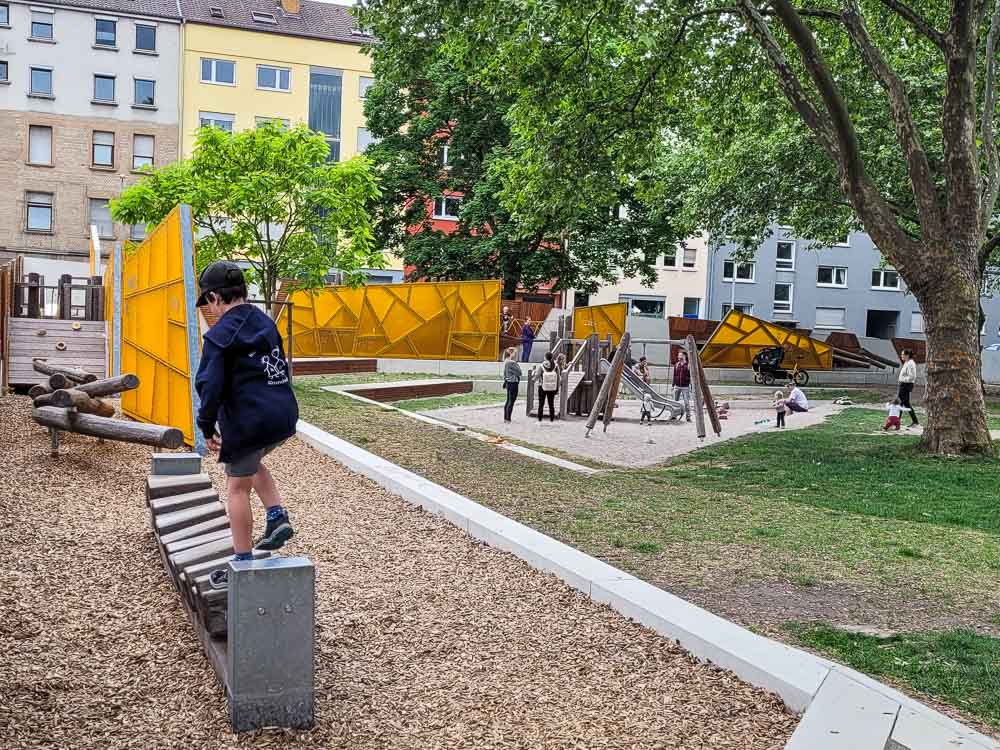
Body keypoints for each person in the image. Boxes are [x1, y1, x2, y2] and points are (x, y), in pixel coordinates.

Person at [193, 261, 299, 589]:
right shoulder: (265, 322)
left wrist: (207, 425)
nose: (210, 310)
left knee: (236, 487)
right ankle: (276, 514)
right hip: (282, 415)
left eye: (208, 303)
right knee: (251, 459)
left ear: (214, 298)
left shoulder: (218, 337)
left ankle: (242, 559)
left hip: (250, 421)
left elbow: (208, 385)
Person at [897, 349, 919, 427]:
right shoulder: (907, 363)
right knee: (906, 404)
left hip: (906, 385)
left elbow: (912, 376)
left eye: (902, 354)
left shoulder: (910, 363)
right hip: (904, 385)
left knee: (899, 403)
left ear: (907, 355)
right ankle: (915, 422)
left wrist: (903, 380)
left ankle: (896, 422)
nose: (901, 356)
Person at [537, 351, 559, 422]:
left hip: (542, 386)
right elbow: (558, 377)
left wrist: (533, 379)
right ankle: (552, 419)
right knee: (551, 403)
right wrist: (557, 387)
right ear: (552, 357)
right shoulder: (555, 365)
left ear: (545, 357)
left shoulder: (541, 365)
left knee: (541, 403)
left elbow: (537, 375)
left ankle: (540, 419)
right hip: (552, 387)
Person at [502, 347, 522, 422]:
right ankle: (508, 418)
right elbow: (519, 372)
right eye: (515, 353)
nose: (516, 354)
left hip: (508, 382)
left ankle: (506, 418)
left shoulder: (506, 362)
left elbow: (504, 373)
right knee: (511, 401)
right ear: (511, 353)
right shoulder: (512, 363)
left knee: (508, 400)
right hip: (513, 382)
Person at [672, 351, 692, 422]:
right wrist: (673, 385)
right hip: (677, 386)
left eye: (679, 355)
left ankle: (688, 417)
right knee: (675, 402)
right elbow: (674, 376)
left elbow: (691, 376)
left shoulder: (688, 365)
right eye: (678, 356)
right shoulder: (677, 365)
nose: (678, 357)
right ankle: (674, 415)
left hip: (685, 387)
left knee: (686, 402)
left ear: (684, 356)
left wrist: (690, 385)